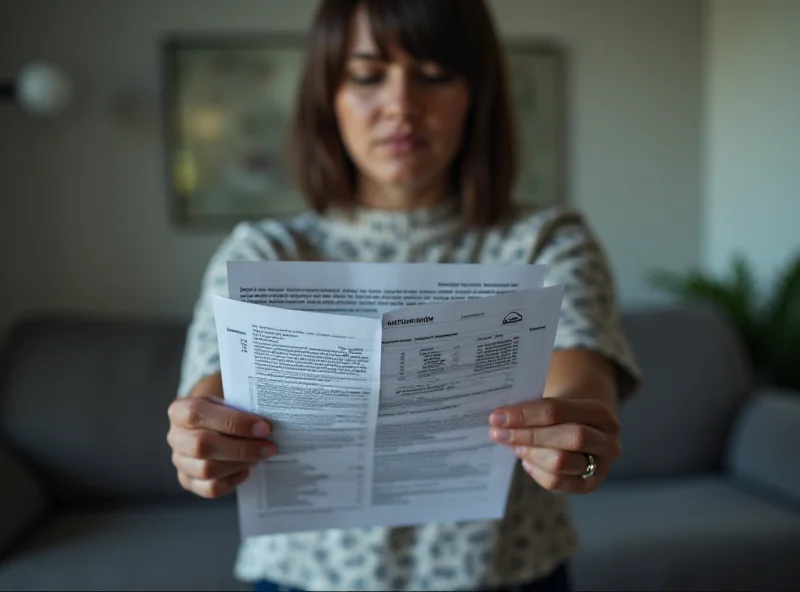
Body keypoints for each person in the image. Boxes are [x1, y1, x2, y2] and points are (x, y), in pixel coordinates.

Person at [166, 0, 641, 590]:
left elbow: (583, 384)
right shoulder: (266, 252)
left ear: (475, 95)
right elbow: (208, 402)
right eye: (367, 76)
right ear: (328, 96)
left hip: (509, 575)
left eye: (435, 75)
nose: (400, 106)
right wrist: (201, 449)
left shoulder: (545, 240)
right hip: (303, 578)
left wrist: (582, 453)